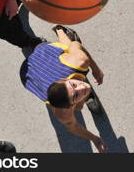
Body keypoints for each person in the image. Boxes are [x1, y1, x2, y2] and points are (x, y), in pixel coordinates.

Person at [20, 25, 106, 153]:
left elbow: (76, 45)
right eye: (75, 96)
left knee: (66, 47)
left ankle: (59, 30)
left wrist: (95, 69)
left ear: (65, 79)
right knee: (79, 105)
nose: (82, 86)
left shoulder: (79, 61)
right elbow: (73, 126)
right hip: (28, 72)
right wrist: (95, 139)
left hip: (44, 52)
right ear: (67, 107)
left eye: (74, 85)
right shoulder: (62, 113)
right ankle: (82, 97)